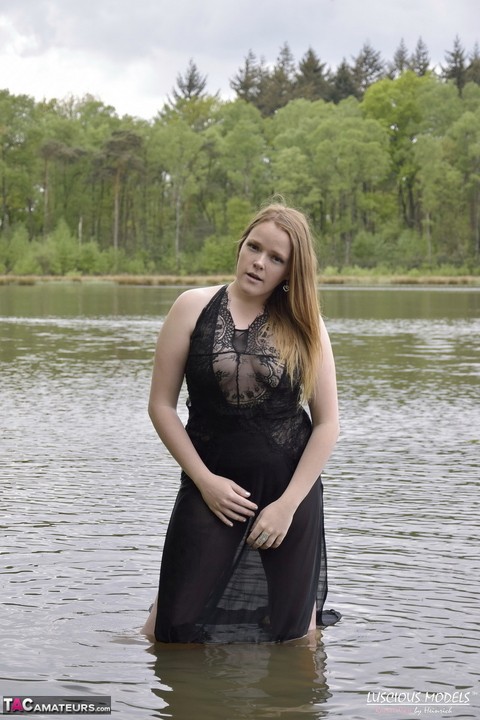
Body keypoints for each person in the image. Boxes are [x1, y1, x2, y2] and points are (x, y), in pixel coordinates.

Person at [142, 202, 340, 644]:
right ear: (241, 244)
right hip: (210, 485)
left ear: (291, 270)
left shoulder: (308, 326)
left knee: (296, 636)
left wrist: (287, 505)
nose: (258, 262)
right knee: (169, 630)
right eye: (254, 247)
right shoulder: (191, 306)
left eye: (276, 258)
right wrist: (204, 481)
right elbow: (161, 406)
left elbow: (328, 425)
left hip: (290, 491)